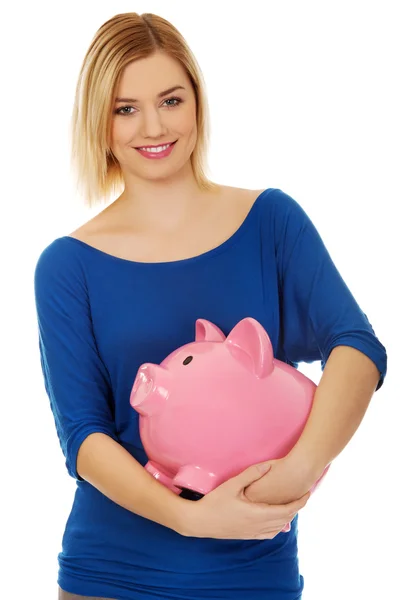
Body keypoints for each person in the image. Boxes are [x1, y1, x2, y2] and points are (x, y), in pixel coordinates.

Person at [33, 11, 387, 600]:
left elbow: (356, 346)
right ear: (101, 123)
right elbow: (84, 437)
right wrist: (191, 518)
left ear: (197, 102)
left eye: (170, 99)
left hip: (253, 568)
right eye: (126, 108)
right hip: (113, 574)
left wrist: (296, 474)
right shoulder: (67, 265)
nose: (153, 125)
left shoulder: (270, 222)